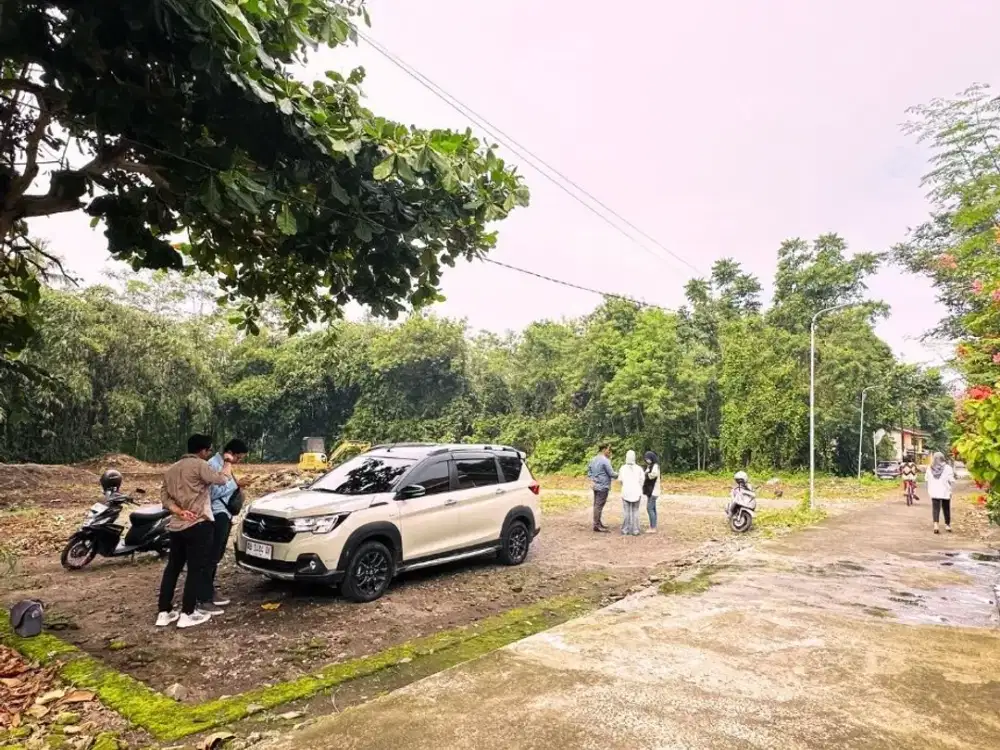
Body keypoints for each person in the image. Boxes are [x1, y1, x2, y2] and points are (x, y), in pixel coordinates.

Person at [156, 434, 233, 629]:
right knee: (195, 569)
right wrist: (227, 462)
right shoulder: (200, 465)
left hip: (176, 526)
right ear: (203, 451)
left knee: (172, 568)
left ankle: (164, 612)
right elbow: (222, 479)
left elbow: (165, 498)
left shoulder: (172, 469)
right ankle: (187, 613)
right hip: (198, 525)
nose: (208, 454)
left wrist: (179, 511)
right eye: (208, 451)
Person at [201, 438, 249, 610]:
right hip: (217, 513)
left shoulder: (225, 465)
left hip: (225, 513)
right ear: (230, 453)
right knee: (211, 555)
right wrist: (236, 485)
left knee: (217, 555)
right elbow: (212, 492)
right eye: (239, 457)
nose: (238, 461)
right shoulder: (213, 465)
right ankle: (204, 595)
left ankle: (209, 590)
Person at [587, 443, 618, 533]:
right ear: (604, 449)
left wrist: (593, 479)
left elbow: (589, 472)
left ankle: (598, 523)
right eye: (608, 449)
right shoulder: (605, 460)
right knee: (598, 506)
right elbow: (611, 474)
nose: (610, 451)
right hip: (603, 486)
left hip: (595, 486)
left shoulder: (593, 459)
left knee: (597, 505)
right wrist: (621, 474)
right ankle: (596, 525)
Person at [926, 452, 956, 535]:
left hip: (934, 491)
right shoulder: (948, 468)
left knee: (935, 508)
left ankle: (936, 525)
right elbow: (951, 479)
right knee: (946, 508)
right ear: (943, 458)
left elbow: (926, 479)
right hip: (945, 491)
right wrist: (952, 485)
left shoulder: (930, 468)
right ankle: (947, 525)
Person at [618, 450, 645, 536]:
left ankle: (625, 530)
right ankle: (635, 530)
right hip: (636, 492)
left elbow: (620, 480)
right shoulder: (639, 468)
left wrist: (625, 486)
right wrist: (639, 487)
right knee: (635, 511)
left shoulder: (622, 468)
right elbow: (642, 480)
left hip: (626, 492)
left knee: (626, 512)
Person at [642, 451, 661, 534]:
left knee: (649, 508)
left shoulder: (655, 466)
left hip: (654, 491)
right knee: (653, 508)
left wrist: (646, 475)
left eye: (648, 458)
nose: (647, 460)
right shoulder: (650, 466)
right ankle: (654, 525)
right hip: (651, 491)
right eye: (646, 459)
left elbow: (653, 475)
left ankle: (653, 527)